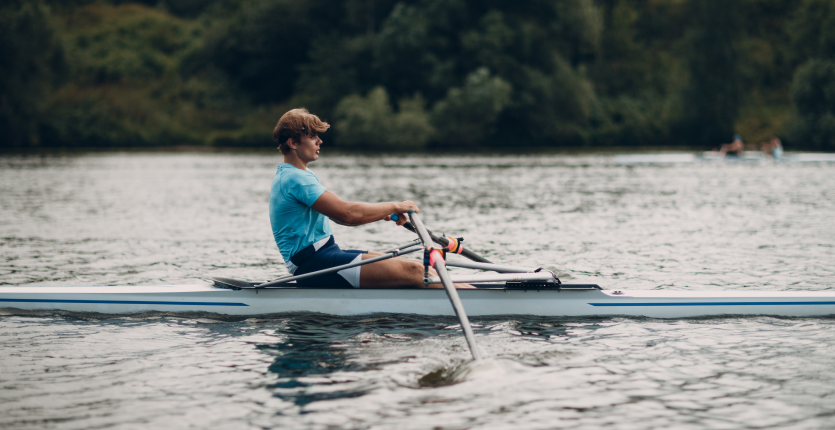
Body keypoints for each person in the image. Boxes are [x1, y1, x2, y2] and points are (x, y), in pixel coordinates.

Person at [269, 108, 472, 289]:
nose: (319, 141)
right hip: (315, 265)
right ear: (293, 142)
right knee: (416, 272)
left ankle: (477, 292)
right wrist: (395, 205)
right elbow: (347, 213)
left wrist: (384, 212)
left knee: (419, 266)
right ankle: (484, 301)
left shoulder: (296, 175)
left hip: (325, 255)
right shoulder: (296, 178)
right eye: (313, 136)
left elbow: (341, 217)